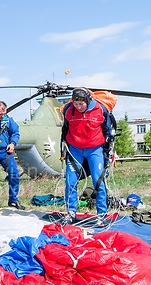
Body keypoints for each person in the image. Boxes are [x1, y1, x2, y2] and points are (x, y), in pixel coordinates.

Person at [61, 87, 114, 225]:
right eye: (76, 104)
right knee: (70, 181)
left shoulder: (100, 109)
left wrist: (108, 151)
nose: (78, 107)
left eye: (81, 104)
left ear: (88, 100)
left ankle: (101, 215)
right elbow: (65, 129)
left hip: (94, 149)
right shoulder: (68, 110)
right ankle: (71, 213)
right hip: (75, 149)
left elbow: (108, 130)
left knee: (98, 181)